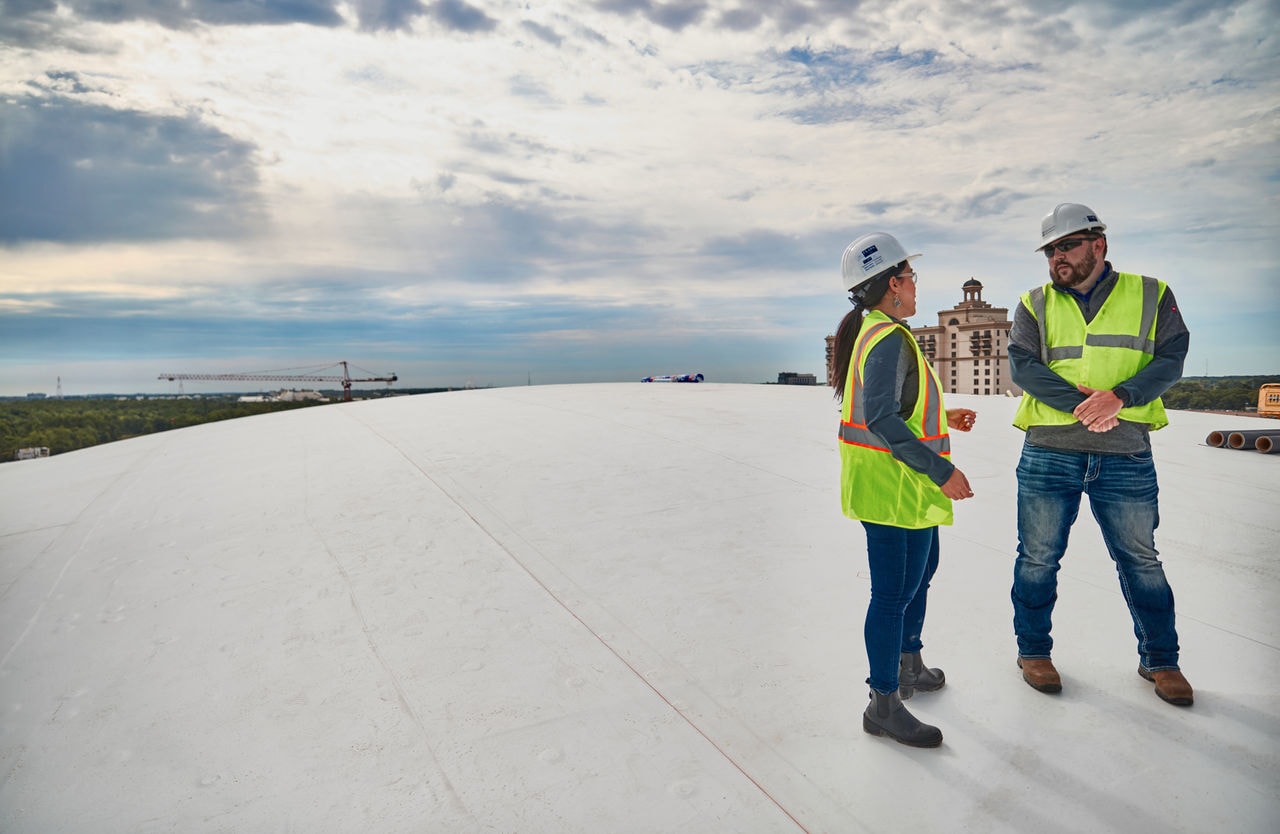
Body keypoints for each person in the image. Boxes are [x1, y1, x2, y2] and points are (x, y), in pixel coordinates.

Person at [1009, 203, 1193, 707]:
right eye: (1051, 250)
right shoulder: (1034, 302)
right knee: (1038, 559)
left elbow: (1172, 357)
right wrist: (1087, 406)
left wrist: (1121, 398)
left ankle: (1160, 659)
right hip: (1050, 449)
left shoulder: (1152, 294)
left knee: (1142, 560)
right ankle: (1033, 652)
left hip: (1125, 450)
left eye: (1066, 245)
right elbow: (1023, 366)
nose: (1057, 258)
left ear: (1098, 244)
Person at [832, 232, 976, 748]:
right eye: (910, 276)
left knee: (921, 575)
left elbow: (901, 406)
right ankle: (883, 704)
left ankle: (909, 662)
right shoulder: (887, 337)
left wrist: (945, 418)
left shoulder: (880, 330)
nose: (916, 284)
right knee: (892, 595)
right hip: (893, 488)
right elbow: (883, 420)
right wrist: (942, 472)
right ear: (893, 284)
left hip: (903, 487)